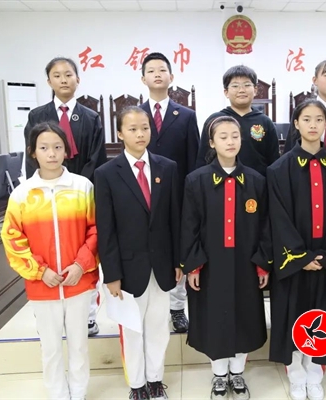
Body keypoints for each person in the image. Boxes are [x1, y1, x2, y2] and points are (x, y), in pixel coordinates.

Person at [267, 100, 326, 400]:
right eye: (306, 119)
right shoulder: (279, 170)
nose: (313, 125)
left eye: (319, 119)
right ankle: (296, 374)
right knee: (294, 316)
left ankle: (315, 374)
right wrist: (301, 256)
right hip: (293, 260)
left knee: (323, 316)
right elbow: (278, 217)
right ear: (296, 123)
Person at [2, 122, 98, 400]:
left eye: (57, 147)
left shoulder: (83, 187)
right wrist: (40, 271)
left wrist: (80, 265)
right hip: (42, 285)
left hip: (78, 282)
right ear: (33, 152)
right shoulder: (22, 194)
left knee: (79, 345)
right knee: (51, 347)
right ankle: (58, 394)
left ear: (67, 150)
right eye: (44, 148)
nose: (52, 153)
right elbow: (12, 237)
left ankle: (78, 393)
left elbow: (96, 230)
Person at [180, 116, 272, 400]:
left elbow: (265, 226)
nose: (230, 141)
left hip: (245, 263)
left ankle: (238, 372)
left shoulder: (256, 181)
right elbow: (189, 225)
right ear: (211, 142)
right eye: (223, 137)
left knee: (244, 317)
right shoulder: (196, 180)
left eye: (235, 136)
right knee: (214, 319)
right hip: (211, 264)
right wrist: (193, 265)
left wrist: (262, 263)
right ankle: (219, 375)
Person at [95, 106, 182, 400]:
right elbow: (106, 229)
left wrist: (178, 261)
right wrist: (112, 274)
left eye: (144, 127)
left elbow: (174, 218)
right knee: (132, 330)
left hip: (162, 265)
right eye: (132, 129)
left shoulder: (167, 168)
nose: (140, 134)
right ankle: (137, 385)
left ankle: (155, 380)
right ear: (120, 133)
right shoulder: (106, 174)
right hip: (128, 267)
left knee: (158, 327)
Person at [23, 56, 106, 336]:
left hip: (79, 197)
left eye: (68, 74)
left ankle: (89, 315)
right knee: (47, 251)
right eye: (57, 75)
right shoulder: (37, 116)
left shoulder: (91, 117)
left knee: (84, 252)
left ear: (77, 79)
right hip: (45, 196)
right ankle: (47, 315)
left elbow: (96, 159)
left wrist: (78, 187)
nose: (63, 80)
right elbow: (31, 156)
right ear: (49, 81)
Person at [139, 52, 200, 333]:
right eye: (151, 70)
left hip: (176, 196)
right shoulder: (135, 116)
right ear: (143, 78)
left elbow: (194, 159)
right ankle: (147, 305)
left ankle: (177, 308)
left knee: (177, 249)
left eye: (162, 70)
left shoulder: (186, 116)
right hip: (142, 194)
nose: (157, 74)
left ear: (171, 77)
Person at [195, 65, 280, 176]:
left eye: (247, 85)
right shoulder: (215, 120)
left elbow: (274, 161)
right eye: (235, 86)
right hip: (219, 181)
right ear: (226, 92)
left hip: (257, 183)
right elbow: (203, 159)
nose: (241, 90)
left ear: (255, 90)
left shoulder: (265, 122)